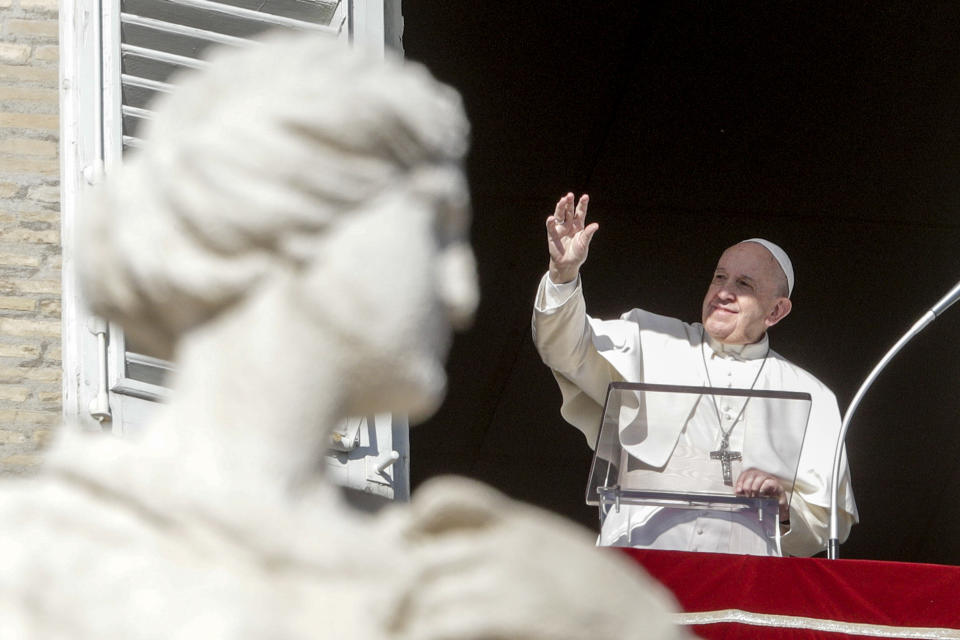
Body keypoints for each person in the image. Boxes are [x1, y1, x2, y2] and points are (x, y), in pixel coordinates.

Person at [0, 38, 690, 639]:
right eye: (437, 229)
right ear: (286, 213)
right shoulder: (28, 558)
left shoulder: (527, 590)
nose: (461, 294)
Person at [532, 192, 858, 556]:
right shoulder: (649, 338)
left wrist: (783, 506)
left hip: (743, 581)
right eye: (719, 277)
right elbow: (564, 348)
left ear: (776, 311)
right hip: (641, 560)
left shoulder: (811, 395)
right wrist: (563, 275)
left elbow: (827, 519)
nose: (723, 292)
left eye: (743, 285)